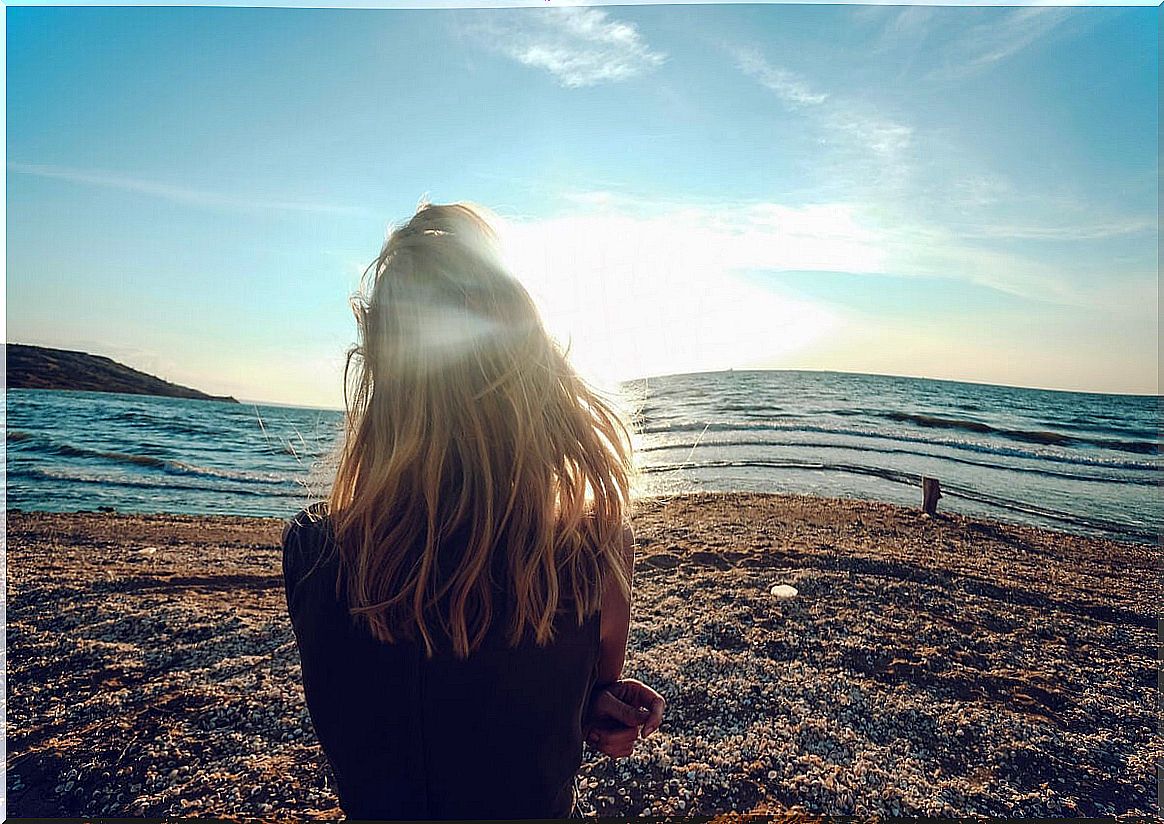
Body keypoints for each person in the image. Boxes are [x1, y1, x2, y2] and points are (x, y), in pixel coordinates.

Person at [282, 201, 665, 819]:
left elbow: (387, 716)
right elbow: (548, 708)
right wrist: (597, 706)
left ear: (378, 373)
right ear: (534, 370)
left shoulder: (314, 552)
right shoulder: (593, 550)